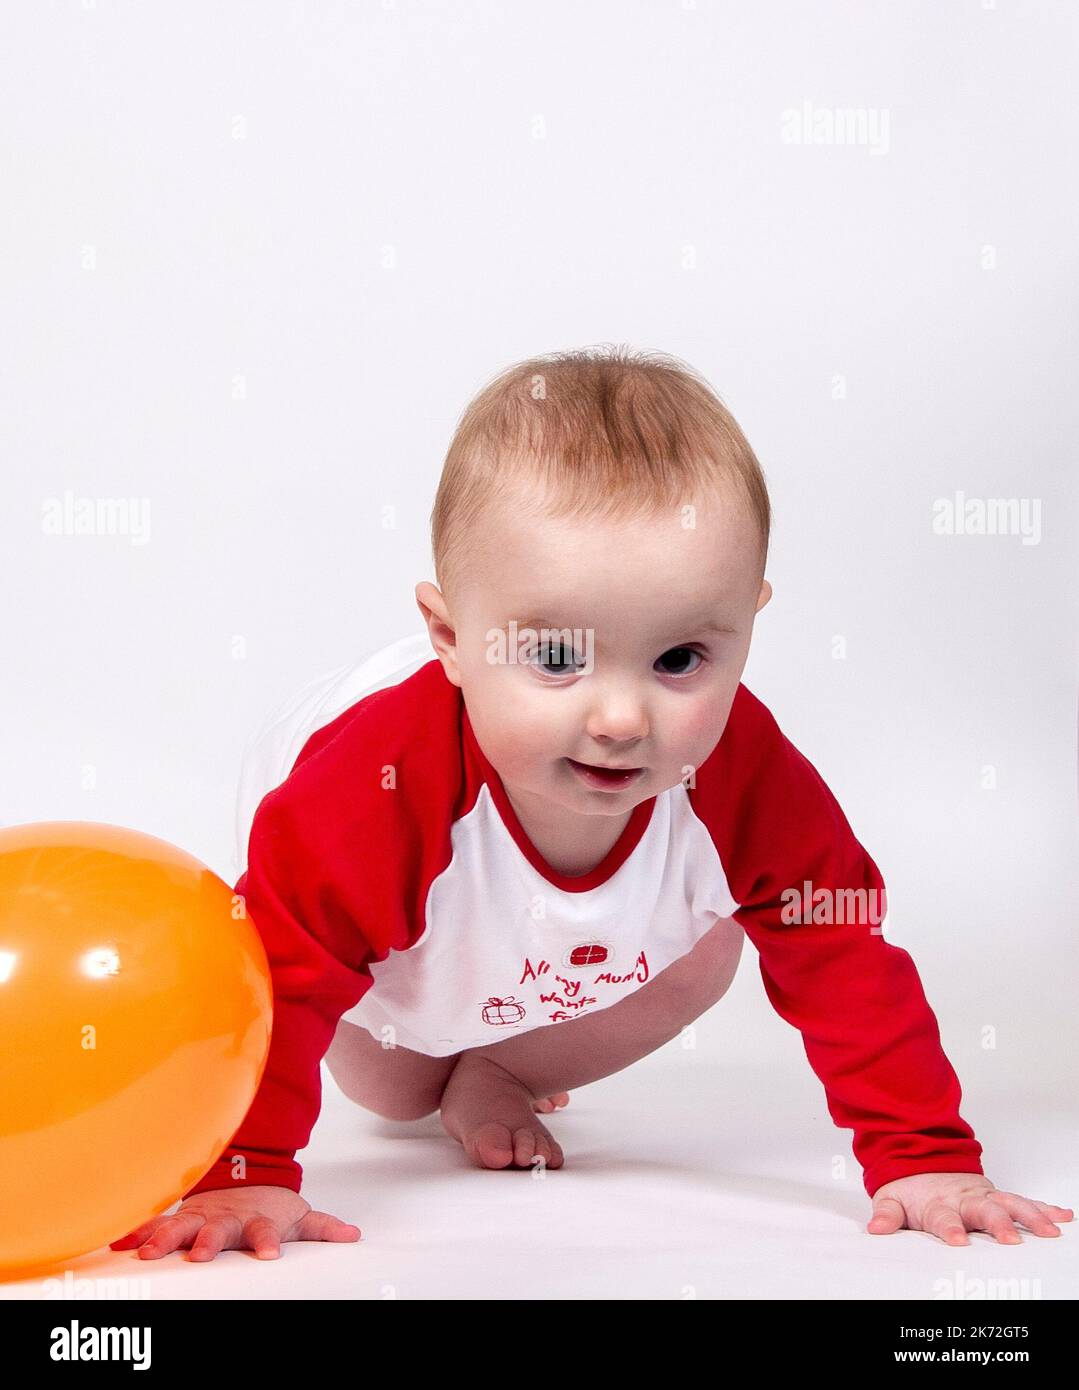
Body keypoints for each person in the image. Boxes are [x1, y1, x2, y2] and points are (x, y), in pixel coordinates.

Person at [112, 346, 1072, 1262]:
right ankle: (443, 1063)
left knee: (714, 949)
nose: (621, 717)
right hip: (379, 947)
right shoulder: (375, 781)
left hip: (565, 937)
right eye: (557, 657)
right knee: (394, 1086)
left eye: (680, 660)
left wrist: (925, 1156)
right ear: (450, 637)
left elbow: (841, 952)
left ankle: (504, 1069)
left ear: (745, 629)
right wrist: (244, 1171)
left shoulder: (741, 767)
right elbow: (282, 971)